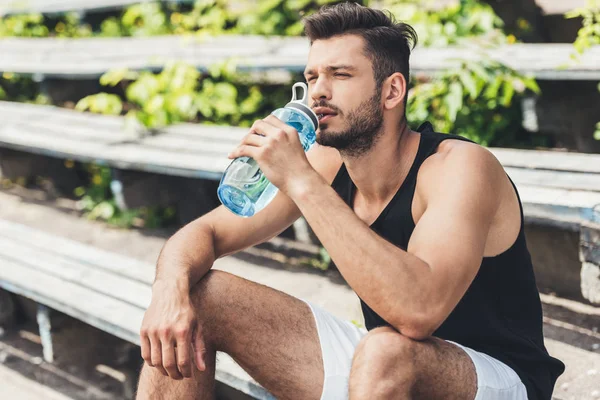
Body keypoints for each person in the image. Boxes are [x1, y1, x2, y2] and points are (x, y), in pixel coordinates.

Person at [136, 3, 564, 399]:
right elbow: (205, 231)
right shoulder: (325, 163)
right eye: (312, 78)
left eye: (340, 75)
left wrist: (302, 182)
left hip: (497, 379)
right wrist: (168, 289)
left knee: (385, 350)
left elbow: (418, 313)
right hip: (383, 369)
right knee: (199, 294)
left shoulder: (459, 167)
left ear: (392, 90)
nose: (319, 91)